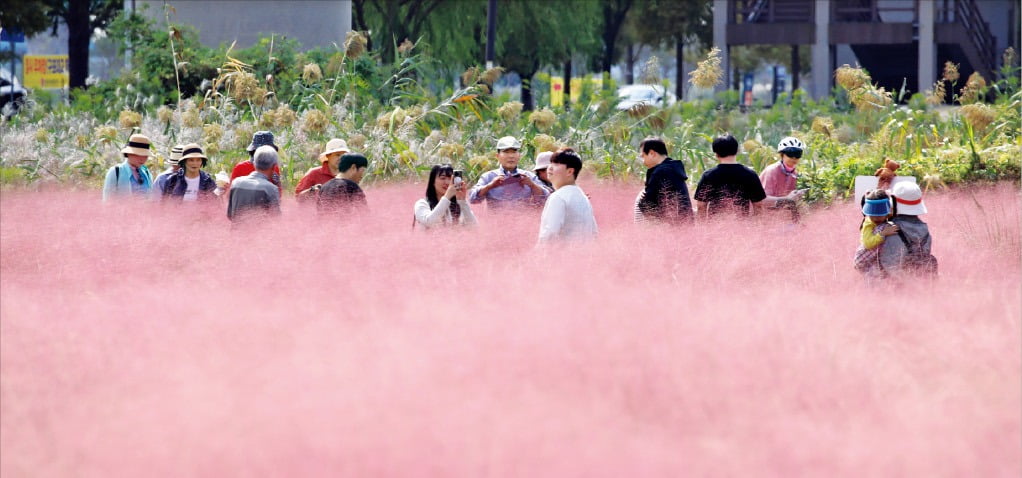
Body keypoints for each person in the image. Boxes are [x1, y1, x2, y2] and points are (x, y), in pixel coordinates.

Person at [693, 134, 801, 219]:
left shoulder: (708, 176)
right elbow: (758, 205)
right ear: (738, 151)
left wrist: (704, 227)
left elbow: (701, 205)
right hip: (742, 227)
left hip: (715, 227)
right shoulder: (750, 175)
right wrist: (753, 227)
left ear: (716, 154)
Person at [469, 136, 549, 211]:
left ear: (519, 155)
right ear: (497, 156)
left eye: (514, 152)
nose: (511, 156)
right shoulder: (488, 177)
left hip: (522, 223)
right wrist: (490, 186)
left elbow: (546, 199)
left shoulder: (529, 176)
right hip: (495, 224)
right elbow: (472, 199)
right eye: (506, 152)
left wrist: (532, 185)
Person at [537, 148, 598, 243]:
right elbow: (593, 232)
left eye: (556, 164)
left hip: (561, 255)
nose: (550, 167)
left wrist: (537, 255)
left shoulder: (558, 197)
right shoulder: (582, 196)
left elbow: (550, 234)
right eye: (551, 163)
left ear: (570, 171)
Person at [879, 182, 937, 278]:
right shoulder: (924, 230)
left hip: (898, 287)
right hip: (922, 283)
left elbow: (890, 265)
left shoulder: (893, 230)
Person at [634, 136, 693, 224]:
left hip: (670, 230)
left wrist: (642, 201)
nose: (643, 161)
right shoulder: (674, 168)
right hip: (686, 225)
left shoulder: (660, 172)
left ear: (652, 153)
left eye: (643, 156)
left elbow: (649, 206)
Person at [413, 164, 478, 229]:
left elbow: (474, 228)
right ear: (432, 181)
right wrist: (447, 196)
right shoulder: (422, 204)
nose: (447, 182)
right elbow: (430, 222)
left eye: (450, 178)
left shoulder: (458, 204)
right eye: (442, 178)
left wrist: (462, 202)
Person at [227, 145, 281, 222]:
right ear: (273, 167)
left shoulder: (236, 183)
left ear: (254, 164)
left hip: (236, 233)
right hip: (259, 233)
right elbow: (276, 219)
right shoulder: (271, 189)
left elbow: (230, 215)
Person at [758, 136, 807, 222]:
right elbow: (762, 200)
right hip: (765, 221)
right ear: (782, 155)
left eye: (798, 154)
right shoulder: (771, 171)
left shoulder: (795, 173)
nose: (794, 158)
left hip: (782, 220)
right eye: (790, 154)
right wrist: (787, 199)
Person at [853, 189, 900, 277]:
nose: (876, 218)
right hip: (864, 261)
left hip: (877, 258)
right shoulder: (868, 224)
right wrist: (882, 234)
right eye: (872, 215)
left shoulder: (887, 215)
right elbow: (868, 244)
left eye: (880, 214)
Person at [103, 133, 154, 201]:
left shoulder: (147, 173)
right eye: (138, 154)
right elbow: (107, 201)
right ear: (129, 153)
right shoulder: (115, 172)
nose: (142, 158)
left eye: (145, 155)